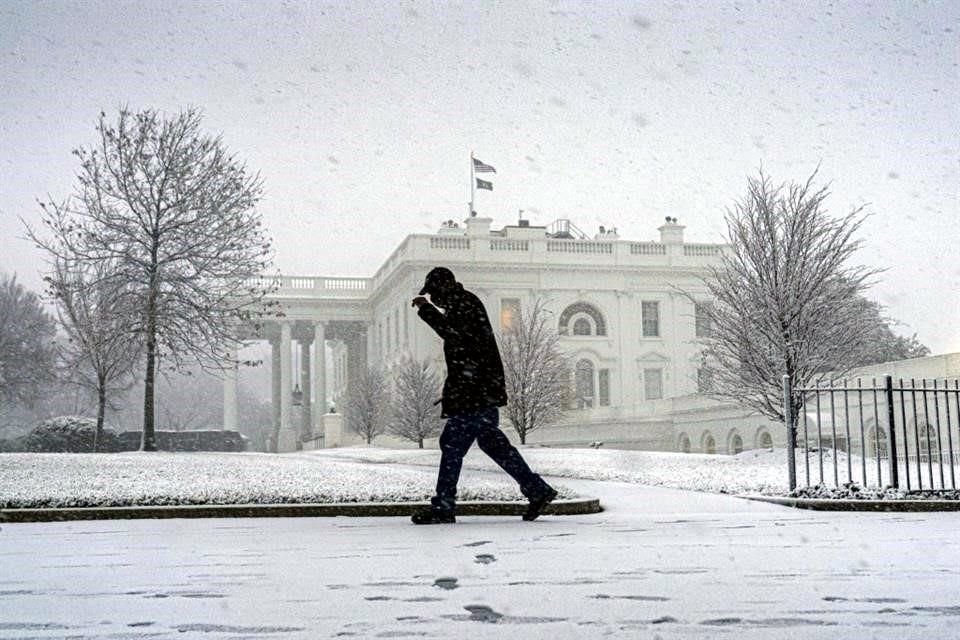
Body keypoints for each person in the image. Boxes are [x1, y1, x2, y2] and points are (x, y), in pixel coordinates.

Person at [410, 266, 557, 525]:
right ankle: (537, 489)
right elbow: (465, 345)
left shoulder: (464, 304)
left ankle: (444, 507)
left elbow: (453, 336)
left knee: (452, 446)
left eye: (433, 294)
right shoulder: (465, 304)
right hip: (480, 392)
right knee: (494, 445)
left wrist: (426, 310)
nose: (434, 299)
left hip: (473, 395)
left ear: (443, 287)